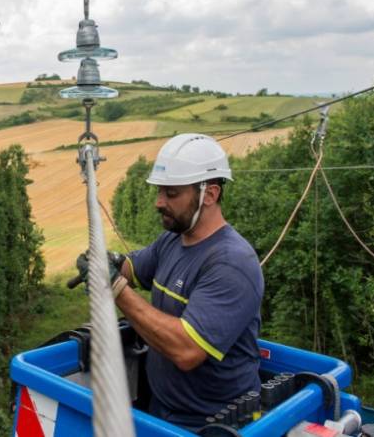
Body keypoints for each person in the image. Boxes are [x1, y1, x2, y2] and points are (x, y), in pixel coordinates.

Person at [76, 133, 264, 430]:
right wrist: (106, 261)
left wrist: (114, 287)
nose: (158, 202)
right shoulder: (173, 240)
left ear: (210, 194)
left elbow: (186, 351)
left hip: (214, 424)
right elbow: (132, 268)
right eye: (160, 191)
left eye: (171, 194)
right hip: (162, 409)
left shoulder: (231, 263)